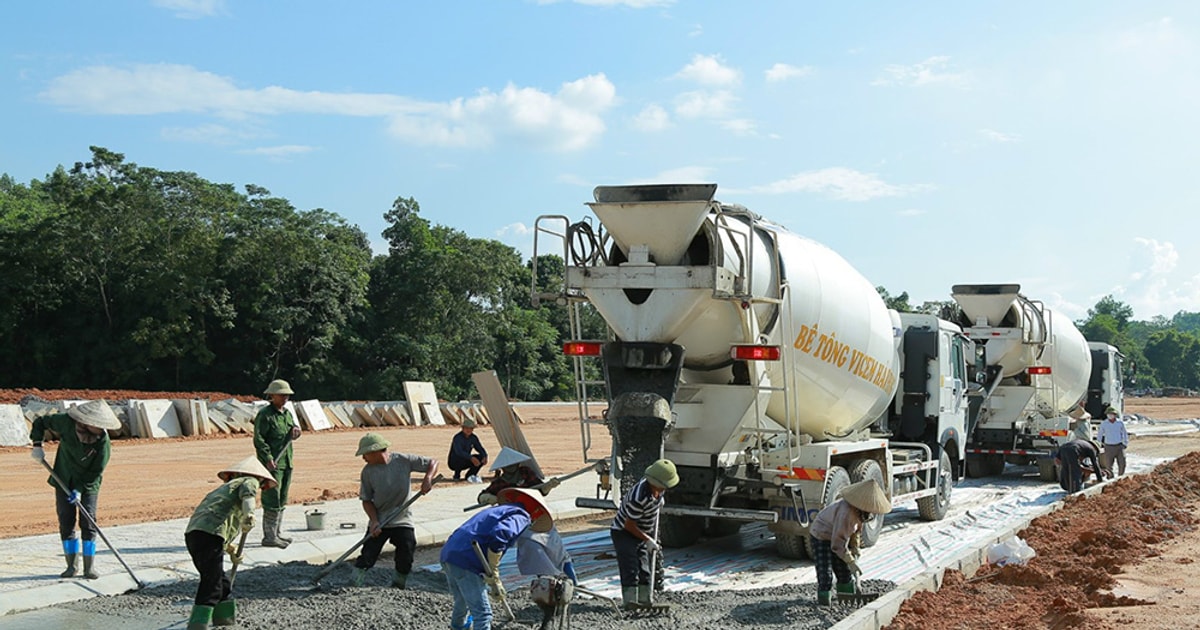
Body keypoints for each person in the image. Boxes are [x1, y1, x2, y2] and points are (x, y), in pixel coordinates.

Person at [29, 400, 120, 580]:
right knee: (66, 519)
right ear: (88, 422)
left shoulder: (103, 443)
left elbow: (95, 472)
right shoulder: (66, 422)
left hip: (88, 484)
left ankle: (89, 567)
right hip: (63, 476)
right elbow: (40, 422)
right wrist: (37, 444)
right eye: (97, 426)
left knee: (88, 521)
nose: (101, 429)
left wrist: (79, 489)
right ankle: (71, 566)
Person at [441, 487, 554, 630]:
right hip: (467, 559)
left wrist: (492, 576)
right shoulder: (522, 516)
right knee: (483, 614)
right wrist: (493, 570)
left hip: (450, 552)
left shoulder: (500, 510)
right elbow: (501, 534)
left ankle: (457, 627)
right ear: (536, 512)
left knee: (462, 600)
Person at [183, 456, 276, 630]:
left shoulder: (223, 490)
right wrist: (250, 514)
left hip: (196, 535)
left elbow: (216, 521)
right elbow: (248, 497)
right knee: (212, 583)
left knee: (221, 581)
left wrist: (230, 548)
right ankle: (197, 625)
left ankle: (224, 621)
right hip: (209, 536)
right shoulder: (249, 480)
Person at [351, 432, 439, 589]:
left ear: (376, 451)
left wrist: (428, 478)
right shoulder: (368, 472)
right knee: (368, 553)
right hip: (380, 519)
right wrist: (374, 520)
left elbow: (433, 462)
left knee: (407, 549)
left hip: (402, 518)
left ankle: (399, 583)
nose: (364, 458)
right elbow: (366, 500)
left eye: (365, 454)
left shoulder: (403, 460)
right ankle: (354, 582)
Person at [809, 478, 893, 605]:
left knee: (844, 571)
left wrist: (855, 548)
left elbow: (856, 532)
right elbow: (837, 545)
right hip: (821, 535)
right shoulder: (846, 513)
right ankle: (824, 602)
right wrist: (851, 561)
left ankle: (846, 597)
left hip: (837, 536)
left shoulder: (861, 512)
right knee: (825, 572)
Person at [610, 458, 679, 610]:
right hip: (624, 532)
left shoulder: (658, 490)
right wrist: (647, 539)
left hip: (641, 532)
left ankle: (644, 600)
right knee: (630, 566)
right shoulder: (639, 498)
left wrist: (647, 536)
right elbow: (629, 525)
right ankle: (629, 602)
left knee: (644, 568)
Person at [252, 378, 302, 548]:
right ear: (272, 395)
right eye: (281, 395)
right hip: (272, 464)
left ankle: (277, 534)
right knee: (271, 497)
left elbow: (293, 429)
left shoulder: (286, 414)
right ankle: (269, 537)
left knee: (282, 497)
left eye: (287, 395)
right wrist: (267, 458)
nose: (285, 398)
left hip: (286, 462)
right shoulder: (265, 415)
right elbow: (259, 440)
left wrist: (296, 431)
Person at [517, 524, 578, 630]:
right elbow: (563, 558)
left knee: (548, 583)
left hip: (531, 543)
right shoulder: (545, 530)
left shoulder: (526, 528)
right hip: (537, 544)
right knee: (554, 585)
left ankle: (549, 614)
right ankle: (550, 615)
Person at [477, 447, 552, 505]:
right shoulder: (500, 483)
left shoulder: (525, 472)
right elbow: (482, 496)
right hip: (510, 511)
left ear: (518, 464)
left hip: (531, 507)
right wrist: (487, 498)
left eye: (513, 464)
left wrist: (547, 486)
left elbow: (540, 489)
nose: (510, 467)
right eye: (507, 466)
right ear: (502, 467)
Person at [447, 417, 488, 483]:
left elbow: (479, 448)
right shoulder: (457, 438)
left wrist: (485, 456)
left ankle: (470, 475)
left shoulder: (473, 438)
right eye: (466, 428)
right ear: (463, 428)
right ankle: (457, 475)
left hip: (466, 459)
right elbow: (459, 452)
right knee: (459, 458)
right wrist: (471, 458)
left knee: (480, 458)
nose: (468, 430)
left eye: (471, 428)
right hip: (454, 461)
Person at [1096, 406, 1129, 476]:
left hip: (1119, 446)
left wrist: (1125, 443)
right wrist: (1098, 444)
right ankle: (1110, 479)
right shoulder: (1104, 424)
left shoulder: (1120, 423)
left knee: (1122, 463)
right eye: (1108, 414)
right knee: (1108, 465)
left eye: (1111, 414)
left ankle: (1120, 477)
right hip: (1108, 447)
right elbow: (1100, 434)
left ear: (1115, 415)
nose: (1110, 415)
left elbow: (1124, 433)